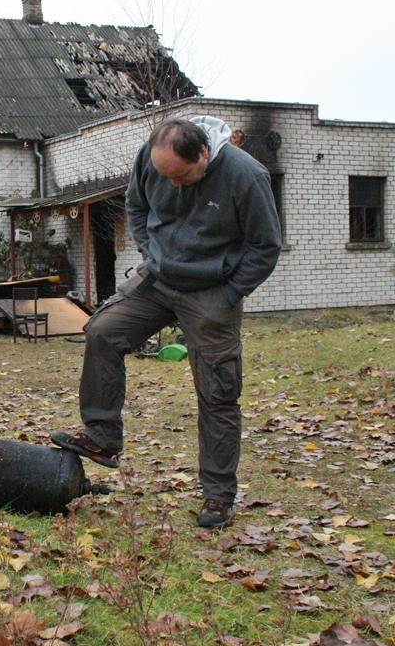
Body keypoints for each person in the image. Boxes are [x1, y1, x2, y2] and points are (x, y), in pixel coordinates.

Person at [51, 116, 282, 528]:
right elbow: (135, 205)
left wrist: (229, 294)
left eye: (183, 176)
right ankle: (103, 438)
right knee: (103, 332)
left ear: (205, 155)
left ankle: (217, 495)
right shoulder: (151, 158)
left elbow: (265, 245)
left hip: (213, 289)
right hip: (158, 278)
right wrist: (149, 253)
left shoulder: (247, 175)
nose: (172, 184)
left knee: (217, 390)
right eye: (165, 176)